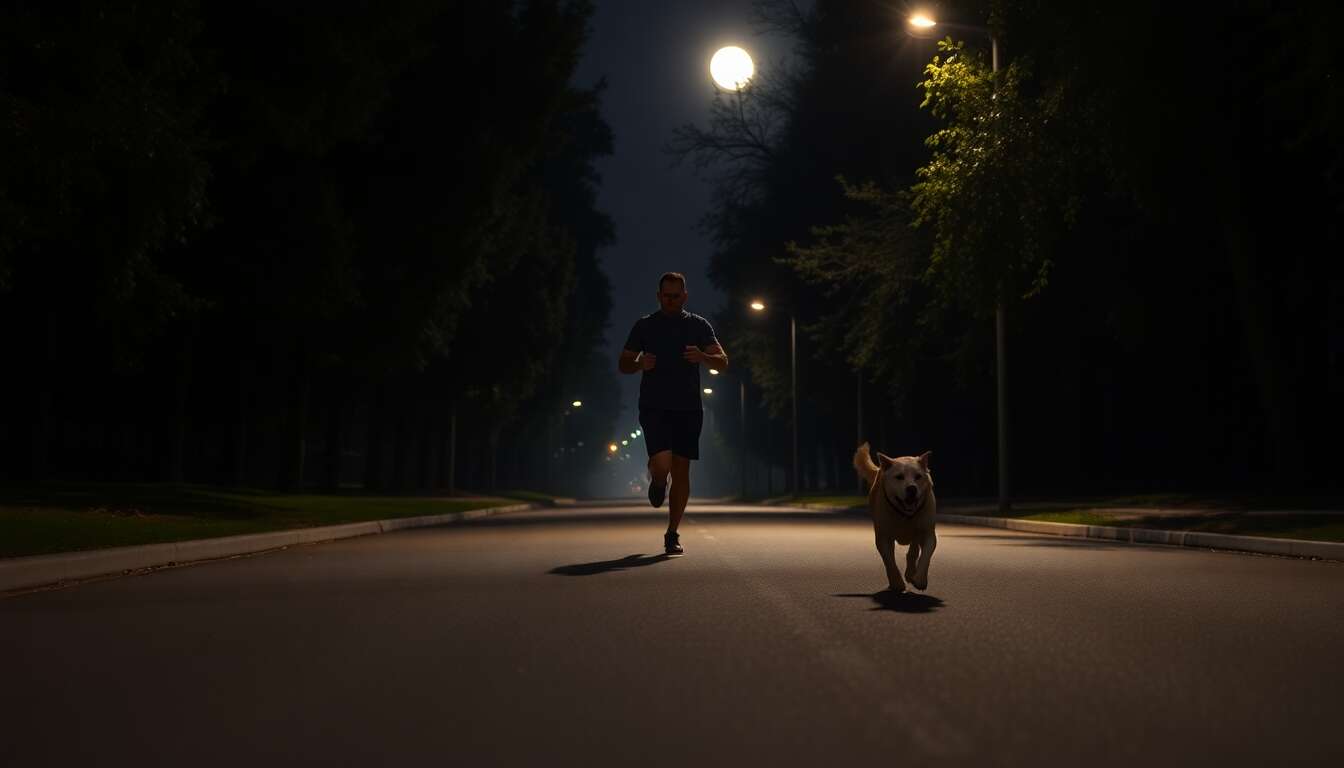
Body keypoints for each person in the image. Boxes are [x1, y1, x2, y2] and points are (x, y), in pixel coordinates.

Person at [618, 272, 728, 555]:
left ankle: (672, 533)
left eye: (676, 296)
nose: (671, 300)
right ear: (658, 296)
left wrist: (703, 358)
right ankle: (656, 480)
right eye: (666, 295)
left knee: (681, 470)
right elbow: (624, 363)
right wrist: (640, 363)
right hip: (654, 406)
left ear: (685, 296)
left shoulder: (698, 326)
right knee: (663, 466)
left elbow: (723, 362)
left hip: (688, 408)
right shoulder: (645, 326)